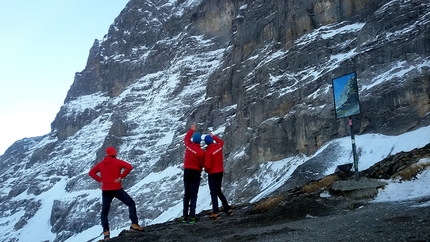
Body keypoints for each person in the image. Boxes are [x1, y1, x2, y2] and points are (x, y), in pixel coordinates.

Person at [89, 146, 143, 241]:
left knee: (105, 212)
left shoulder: (101, 164)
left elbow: (91, 173)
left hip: (106, 190)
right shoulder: (118, 162)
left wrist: (100, 180)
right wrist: (121, 177)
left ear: (106, 154)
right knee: (130, 203)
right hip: (117, 188)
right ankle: (134, 224)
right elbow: (129, 167)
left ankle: (106, 233)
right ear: (115, 153)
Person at [204, 133, 233, 219]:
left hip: (212, 174)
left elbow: (207, 166)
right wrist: (213, 136)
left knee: (213, 192)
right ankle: (228, 209)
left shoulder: (208, 152)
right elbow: (221, 141)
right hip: (220, 172)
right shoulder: (218, 147)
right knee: (219, 191)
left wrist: (206, 170)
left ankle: (215, 212)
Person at [182, 123, 205, 224]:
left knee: (186, 193)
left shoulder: (188, 145)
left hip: (187, 171)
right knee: (193, 194)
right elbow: (203, 163)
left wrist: (191, 130)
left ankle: (184, 217)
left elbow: (186, 138)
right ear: (199, 141)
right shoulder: (201, 152)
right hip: (195, 172)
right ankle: (192, 217)